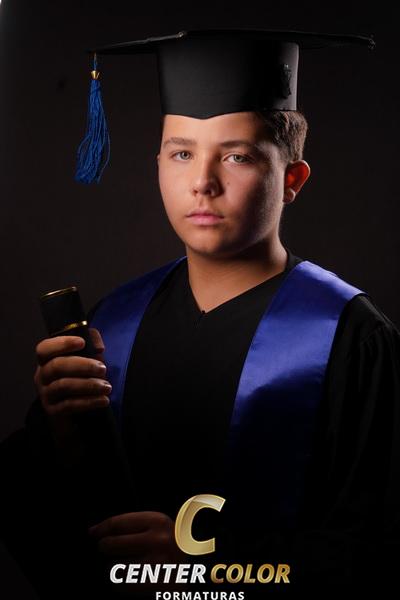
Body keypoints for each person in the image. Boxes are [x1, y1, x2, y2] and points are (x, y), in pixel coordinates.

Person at [1, 29, 400, 598]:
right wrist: (63, 437)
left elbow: (377, 550)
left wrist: (208, 562)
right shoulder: (114, 324)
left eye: (237, 156)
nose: (202, 183)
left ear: (291, 180)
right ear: (158, 164)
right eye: (182, 153)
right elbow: (47, 522)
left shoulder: (350, 337)